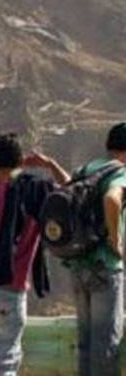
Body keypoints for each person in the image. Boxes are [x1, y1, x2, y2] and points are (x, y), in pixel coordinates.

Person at [0, 133, 69, 376]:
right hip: (10, 288)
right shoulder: (36, 191)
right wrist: (49, 164)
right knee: (5, 359)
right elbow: (70, 192)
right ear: (22, 160)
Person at [67, 123, 126, 376]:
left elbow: (66, 192)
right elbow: (112, 199)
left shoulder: (87, 169)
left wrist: (49, 166)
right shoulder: (121, 172)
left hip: (78, 264)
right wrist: (116, 242)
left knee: (86, 343)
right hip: (105, 267)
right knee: (105, 344)